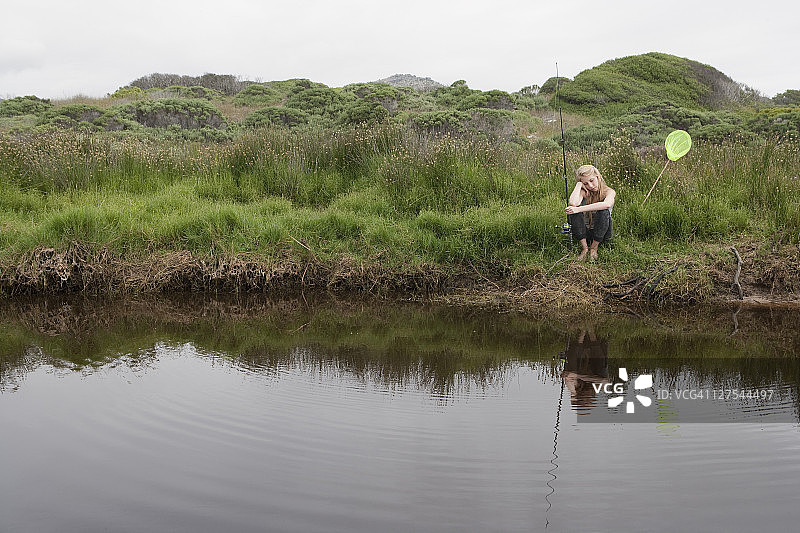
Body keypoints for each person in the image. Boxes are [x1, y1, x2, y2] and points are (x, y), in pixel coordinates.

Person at [565, 164, 616, 261]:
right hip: (584, 232)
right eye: (586, 183)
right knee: (572, 209)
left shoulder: (609, 191)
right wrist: (579, 185)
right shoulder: (584, 192)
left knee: (604, 211)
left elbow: (607, 204)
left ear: (598, 177)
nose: (590, 186)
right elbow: (573, 203)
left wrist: (579, 209)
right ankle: (585, 248)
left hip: (603, 233)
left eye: (592, 180)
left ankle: (594, 248)